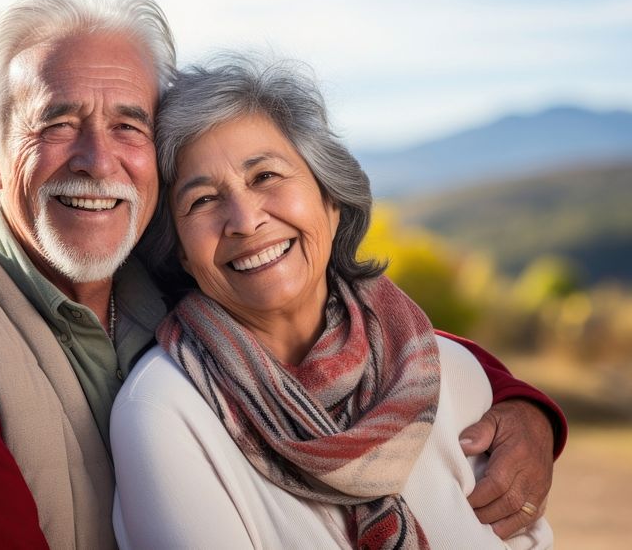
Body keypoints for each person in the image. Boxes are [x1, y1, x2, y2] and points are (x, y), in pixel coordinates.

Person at [0, 0, 564, 548]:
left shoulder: (163, 275)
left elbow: (356, 328)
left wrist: (520, 405)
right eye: (57, 121)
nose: (98, 159)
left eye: (128, 123)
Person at [111, 55, 556, 548]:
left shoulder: (448, 373)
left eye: (265, 177)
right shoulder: (163, 411)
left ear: (330, 197)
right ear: (179, 254)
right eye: (202, 200)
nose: (245, 219)